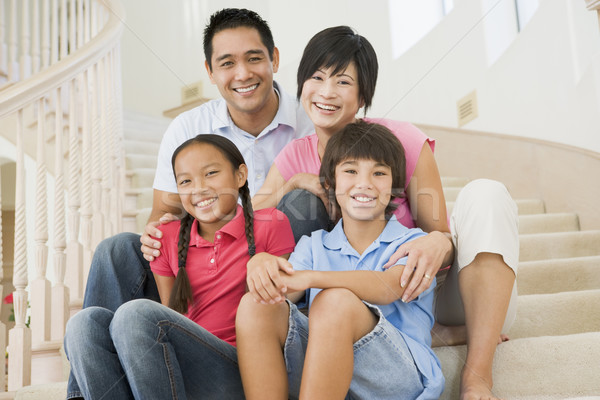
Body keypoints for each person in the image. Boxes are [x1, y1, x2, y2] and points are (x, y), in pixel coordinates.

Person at [251, 26, 519, 400]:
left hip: (422, 286)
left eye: (343, 81)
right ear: (301, 85)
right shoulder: (297, 154)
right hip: (347, 309)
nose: (327, 92)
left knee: (485, 195)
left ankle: (477, 377)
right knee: (299, 230)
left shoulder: (400, 141)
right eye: (316, 77)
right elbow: (248, 213)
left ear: (363, 96)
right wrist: (293, 182)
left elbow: (438, 232)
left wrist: (435, 244)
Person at [68, 8, 314, 398]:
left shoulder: (311, 119)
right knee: (113, 258)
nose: (243, 74)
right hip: (200, 263)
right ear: (210, 71)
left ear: (275, 60)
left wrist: (287, 187)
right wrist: (155, 234)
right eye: (227, 63)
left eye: (254, 58)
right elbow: (164, 214)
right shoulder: (187, 127)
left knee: (303, 200)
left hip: (272, 277)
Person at [64, 135, 296, 399]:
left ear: (240, 175)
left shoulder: (270, 223)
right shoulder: (167, 237)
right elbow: (172, 315)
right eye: (186, 181)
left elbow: (281, 304)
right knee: (83, 325)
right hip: (182, 365)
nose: (198, 188)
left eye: (211, 173)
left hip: (239, 368)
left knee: (135, 314)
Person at [237, 121, 444, 399]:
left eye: (379, 173)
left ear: (394, 187)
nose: (364, 183)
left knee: (334, 301)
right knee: (256, 303)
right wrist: (260, 263)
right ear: (330, 184)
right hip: (329, 370)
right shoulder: (314, 246)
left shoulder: (414, 243)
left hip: (398, 373)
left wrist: (313, 278)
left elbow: (389, 286)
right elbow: (282, 290)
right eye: (350, 171)